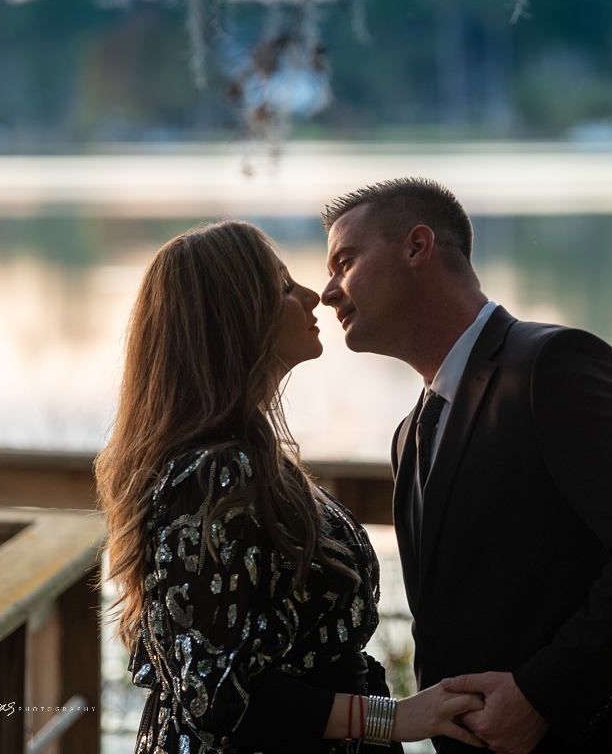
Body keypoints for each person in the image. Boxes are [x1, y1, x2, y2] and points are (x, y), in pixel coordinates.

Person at [319, 179, 612, 754]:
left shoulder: (551, 365)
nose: (327, 291)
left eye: (345, 261)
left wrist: (541, 697)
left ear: (417, 247)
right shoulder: (409, 435)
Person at [96, 220, 486, 754]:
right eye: (283, 287)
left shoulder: (244, 458)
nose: (313, 297)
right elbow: (215, 696)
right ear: (234, 320)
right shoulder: (211, 477)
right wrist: (391, 719)